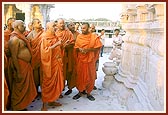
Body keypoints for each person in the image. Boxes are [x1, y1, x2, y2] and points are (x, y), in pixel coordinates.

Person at [8, 20, 37, 111]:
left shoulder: (21, 37)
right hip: (20, 66)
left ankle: (21, 105)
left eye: (24, 24)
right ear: (16, 27)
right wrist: (18, 72)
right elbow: (13, 56)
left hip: (25, 65)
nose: (24, 26)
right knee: (18, 87)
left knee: (24, 87)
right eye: (22, 25)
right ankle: (16, 106)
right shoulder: (14, 39)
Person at [73, 22, 102, 101]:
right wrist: (80, 49)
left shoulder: (93, 36)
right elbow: (76, 47)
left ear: (88, 28)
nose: (82, 29)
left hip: (90, 60)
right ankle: (80, 92)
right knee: (80, 76)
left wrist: (88, 50)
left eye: (84, 28)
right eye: (81, 28)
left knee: (90, 76)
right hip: (81, 60)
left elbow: (98, 47)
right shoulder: (79, 36)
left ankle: (89, 93)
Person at [40, 21, 64, 111]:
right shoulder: (44, 37)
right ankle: (44, 104)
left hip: (57, 63)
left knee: (55, 83)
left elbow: (58, 48)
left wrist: (62, 45)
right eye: (53, 26)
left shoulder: (55, 36)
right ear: (48, 27)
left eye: (55, 25)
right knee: (47, 83)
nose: (56, 27)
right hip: (49, 65)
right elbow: (44, 52)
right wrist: (56, 44)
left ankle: (52, 100)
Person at [55, 19, 75, 97]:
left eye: (63, 23)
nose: (62, 25)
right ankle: (59, 90)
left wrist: (66, 46)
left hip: (67, 56)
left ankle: (67, 88)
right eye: (60, 23)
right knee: (58, 74)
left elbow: (72, 43)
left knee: (66, 73)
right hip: (58, 57)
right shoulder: (55, 33)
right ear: (57, 24)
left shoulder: (68, 33)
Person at [27, 18, 44, 95]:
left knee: (43, 75)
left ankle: (44, 92)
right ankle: (35, 92)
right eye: (38, 22)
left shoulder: (44, 33)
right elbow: (28, 47)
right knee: (35, 76)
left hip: (44, 58)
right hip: (34, 58)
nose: (40, 23)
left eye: (40, 22)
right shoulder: (30, 35)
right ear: (33, 25)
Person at [64, 22, 80, 95]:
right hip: (67, 56)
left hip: (76, 56)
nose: (73, 26)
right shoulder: (65, 33)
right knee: (67, 72)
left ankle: (77, 88)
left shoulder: (78, 34)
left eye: (73, 25)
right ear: (67, 27)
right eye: (71, 25)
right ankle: (67, 88)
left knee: (76, 72)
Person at [4, 17, 15, 110]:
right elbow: (7, 50)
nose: (14, 24)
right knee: (9, 82)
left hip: (15, 61)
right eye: (13, 22)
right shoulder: (5, 34)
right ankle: (8, 103)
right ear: (8, 24)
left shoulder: (15, 34)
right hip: (8, 63)